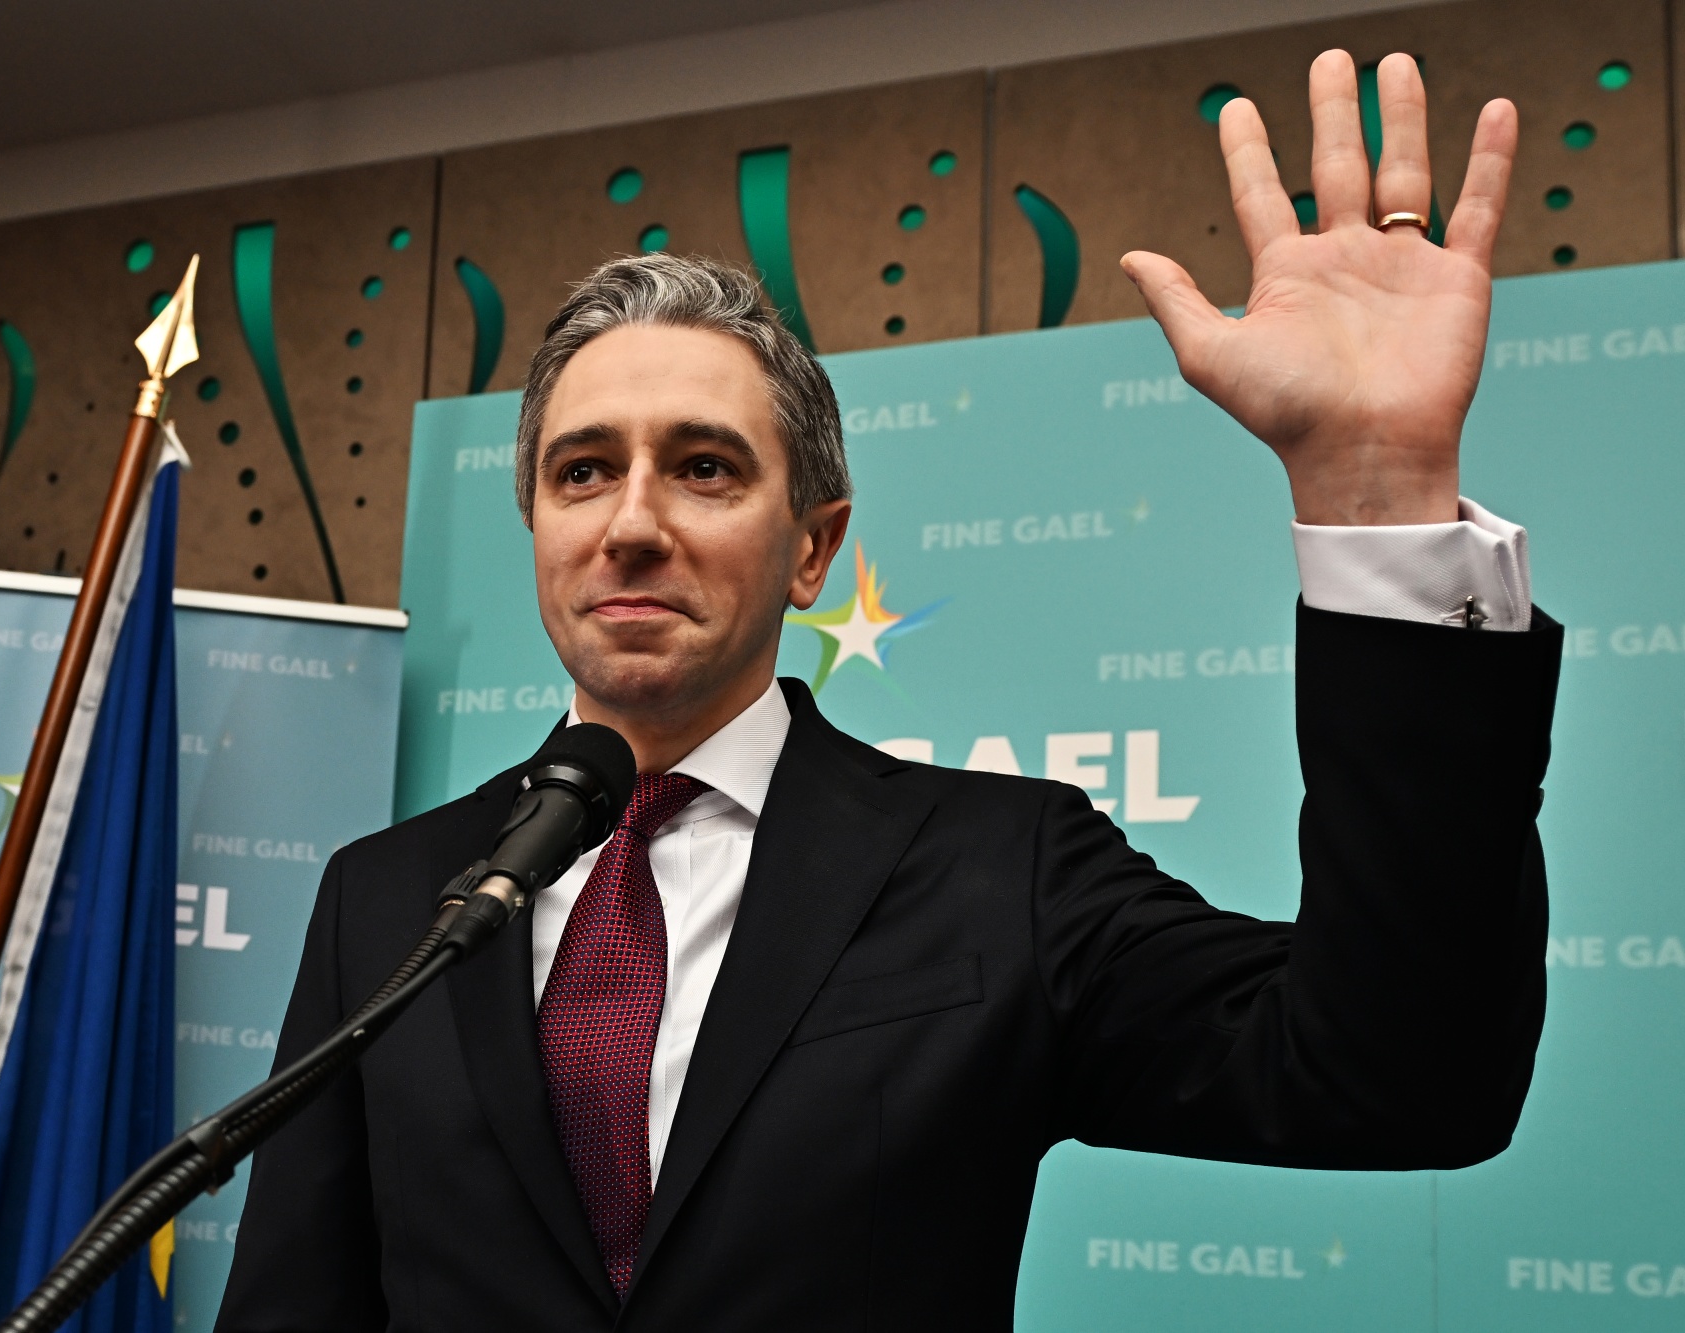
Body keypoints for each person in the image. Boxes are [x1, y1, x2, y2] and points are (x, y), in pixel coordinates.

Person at [215, 52, 1559, 1332]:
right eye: (582, 472)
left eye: (704, 468)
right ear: (537, 530)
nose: (630, 524)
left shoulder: (999, 869)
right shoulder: (386, 900)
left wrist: (1381, 498)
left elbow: (1402, 1078)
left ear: (812, 548)